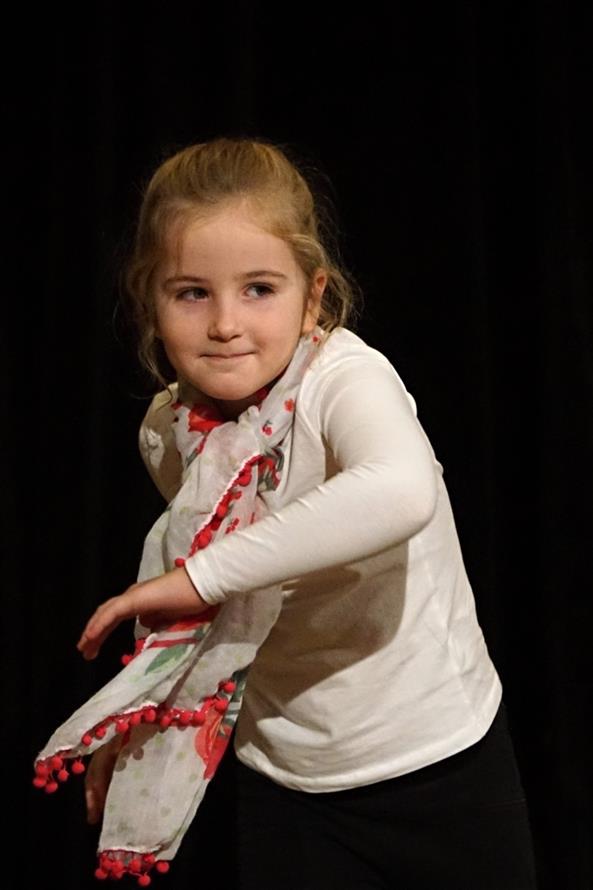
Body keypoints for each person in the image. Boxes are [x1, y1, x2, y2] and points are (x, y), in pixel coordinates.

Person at [38, 137, 537, 889]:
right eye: (191, 292)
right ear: (150, 302)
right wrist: (138, 714)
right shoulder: (167, 432)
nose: (225, 324)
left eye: (259, 289)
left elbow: (400, 490)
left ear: (313, 296)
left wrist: (199, 576)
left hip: (436, 761)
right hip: (285, 779)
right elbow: (210, 618)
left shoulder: (345, 379)